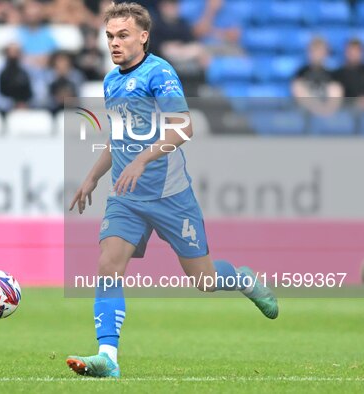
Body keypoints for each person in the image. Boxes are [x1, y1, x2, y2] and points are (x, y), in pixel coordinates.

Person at [66, 2, 278, 379]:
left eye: (123, 35)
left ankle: (242, 278)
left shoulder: (159, 73)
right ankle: (108, 357)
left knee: (204, 280)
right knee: (107, 266)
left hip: (169, 194)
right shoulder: (112, 81)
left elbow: (183, 127)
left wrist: (142, 161)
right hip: (126, 196)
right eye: (110, 36)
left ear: (143, 36)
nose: (114, 43)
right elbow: (119, 138)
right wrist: (92, 177)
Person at [292, 37, 344, 115]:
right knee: (298, 86)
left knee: (335, 88)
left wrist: (325, 110)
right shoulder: (301, 72)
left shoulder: (332, 74)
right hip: (305, 113)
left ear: (326, 53)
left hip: (327, 113)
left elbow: (336, 94)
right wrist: (316, 108)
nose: (317, 54)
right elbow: (298, 92)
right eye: (314, 51)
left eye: (320, 51)